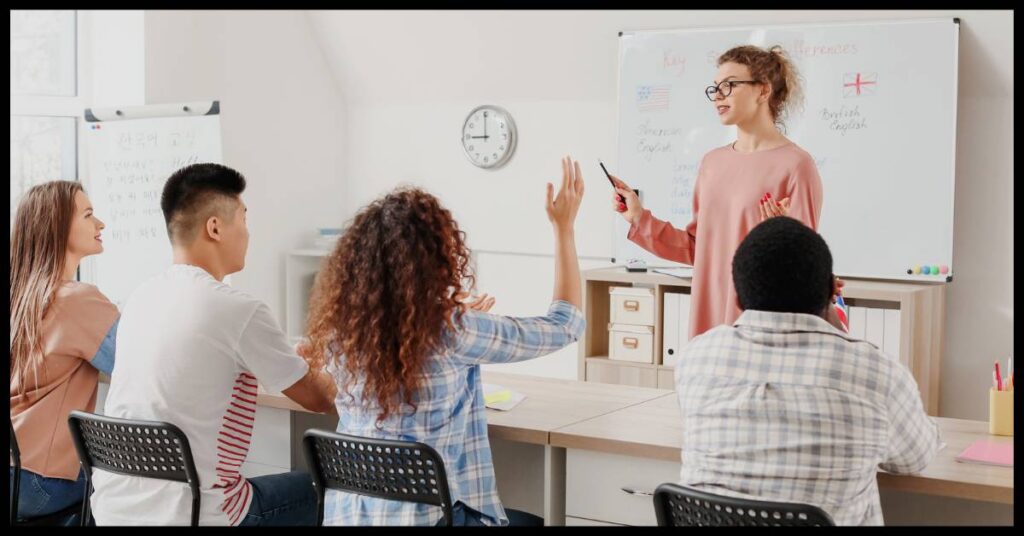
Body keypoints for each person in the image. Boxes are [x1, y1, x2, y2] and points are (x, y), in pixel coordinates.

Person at [302, 157, 586, 526]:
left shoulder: (341, 332)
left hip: (348, 518)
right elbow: (565, 325)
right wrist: (564, 228)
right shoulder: (452, 330)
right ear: (436, 258)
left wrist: (449, 313)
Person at [89, 163, 337, 526]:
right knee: (322, 487)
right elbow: (320, 398)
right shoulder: (238, 309)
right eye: (244, 219)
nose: (248, 234)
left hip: (112, 511)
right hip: (198, 515)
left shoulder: (139, 297)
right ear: (215, 227)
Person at [673, 216, 942, 526]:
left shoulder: (696, 358)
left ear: (736, 296)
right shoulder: (875, 373)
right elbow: (915, 459)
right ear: (831, 290)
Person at [610, 44, 840, 339]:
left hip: (763, 323)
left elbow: (805, 268)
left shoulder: (797, 166)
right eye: (715, 87)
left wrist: (783, 231)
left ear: (763, 91)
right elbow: (697, 248)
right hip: (710, 319)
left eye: (730, 85)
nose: (718, 95)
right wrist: (639, 218)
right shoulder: (712, 163)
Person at [9, 181, 119, 525]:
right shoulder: (77, 299)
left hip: (15, 475)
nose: (100, 224)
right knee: (134, 487)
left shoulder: (20, 295)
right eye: (88, 215)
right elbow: (138, 367)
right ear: (58, 227)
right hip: (40, 481)